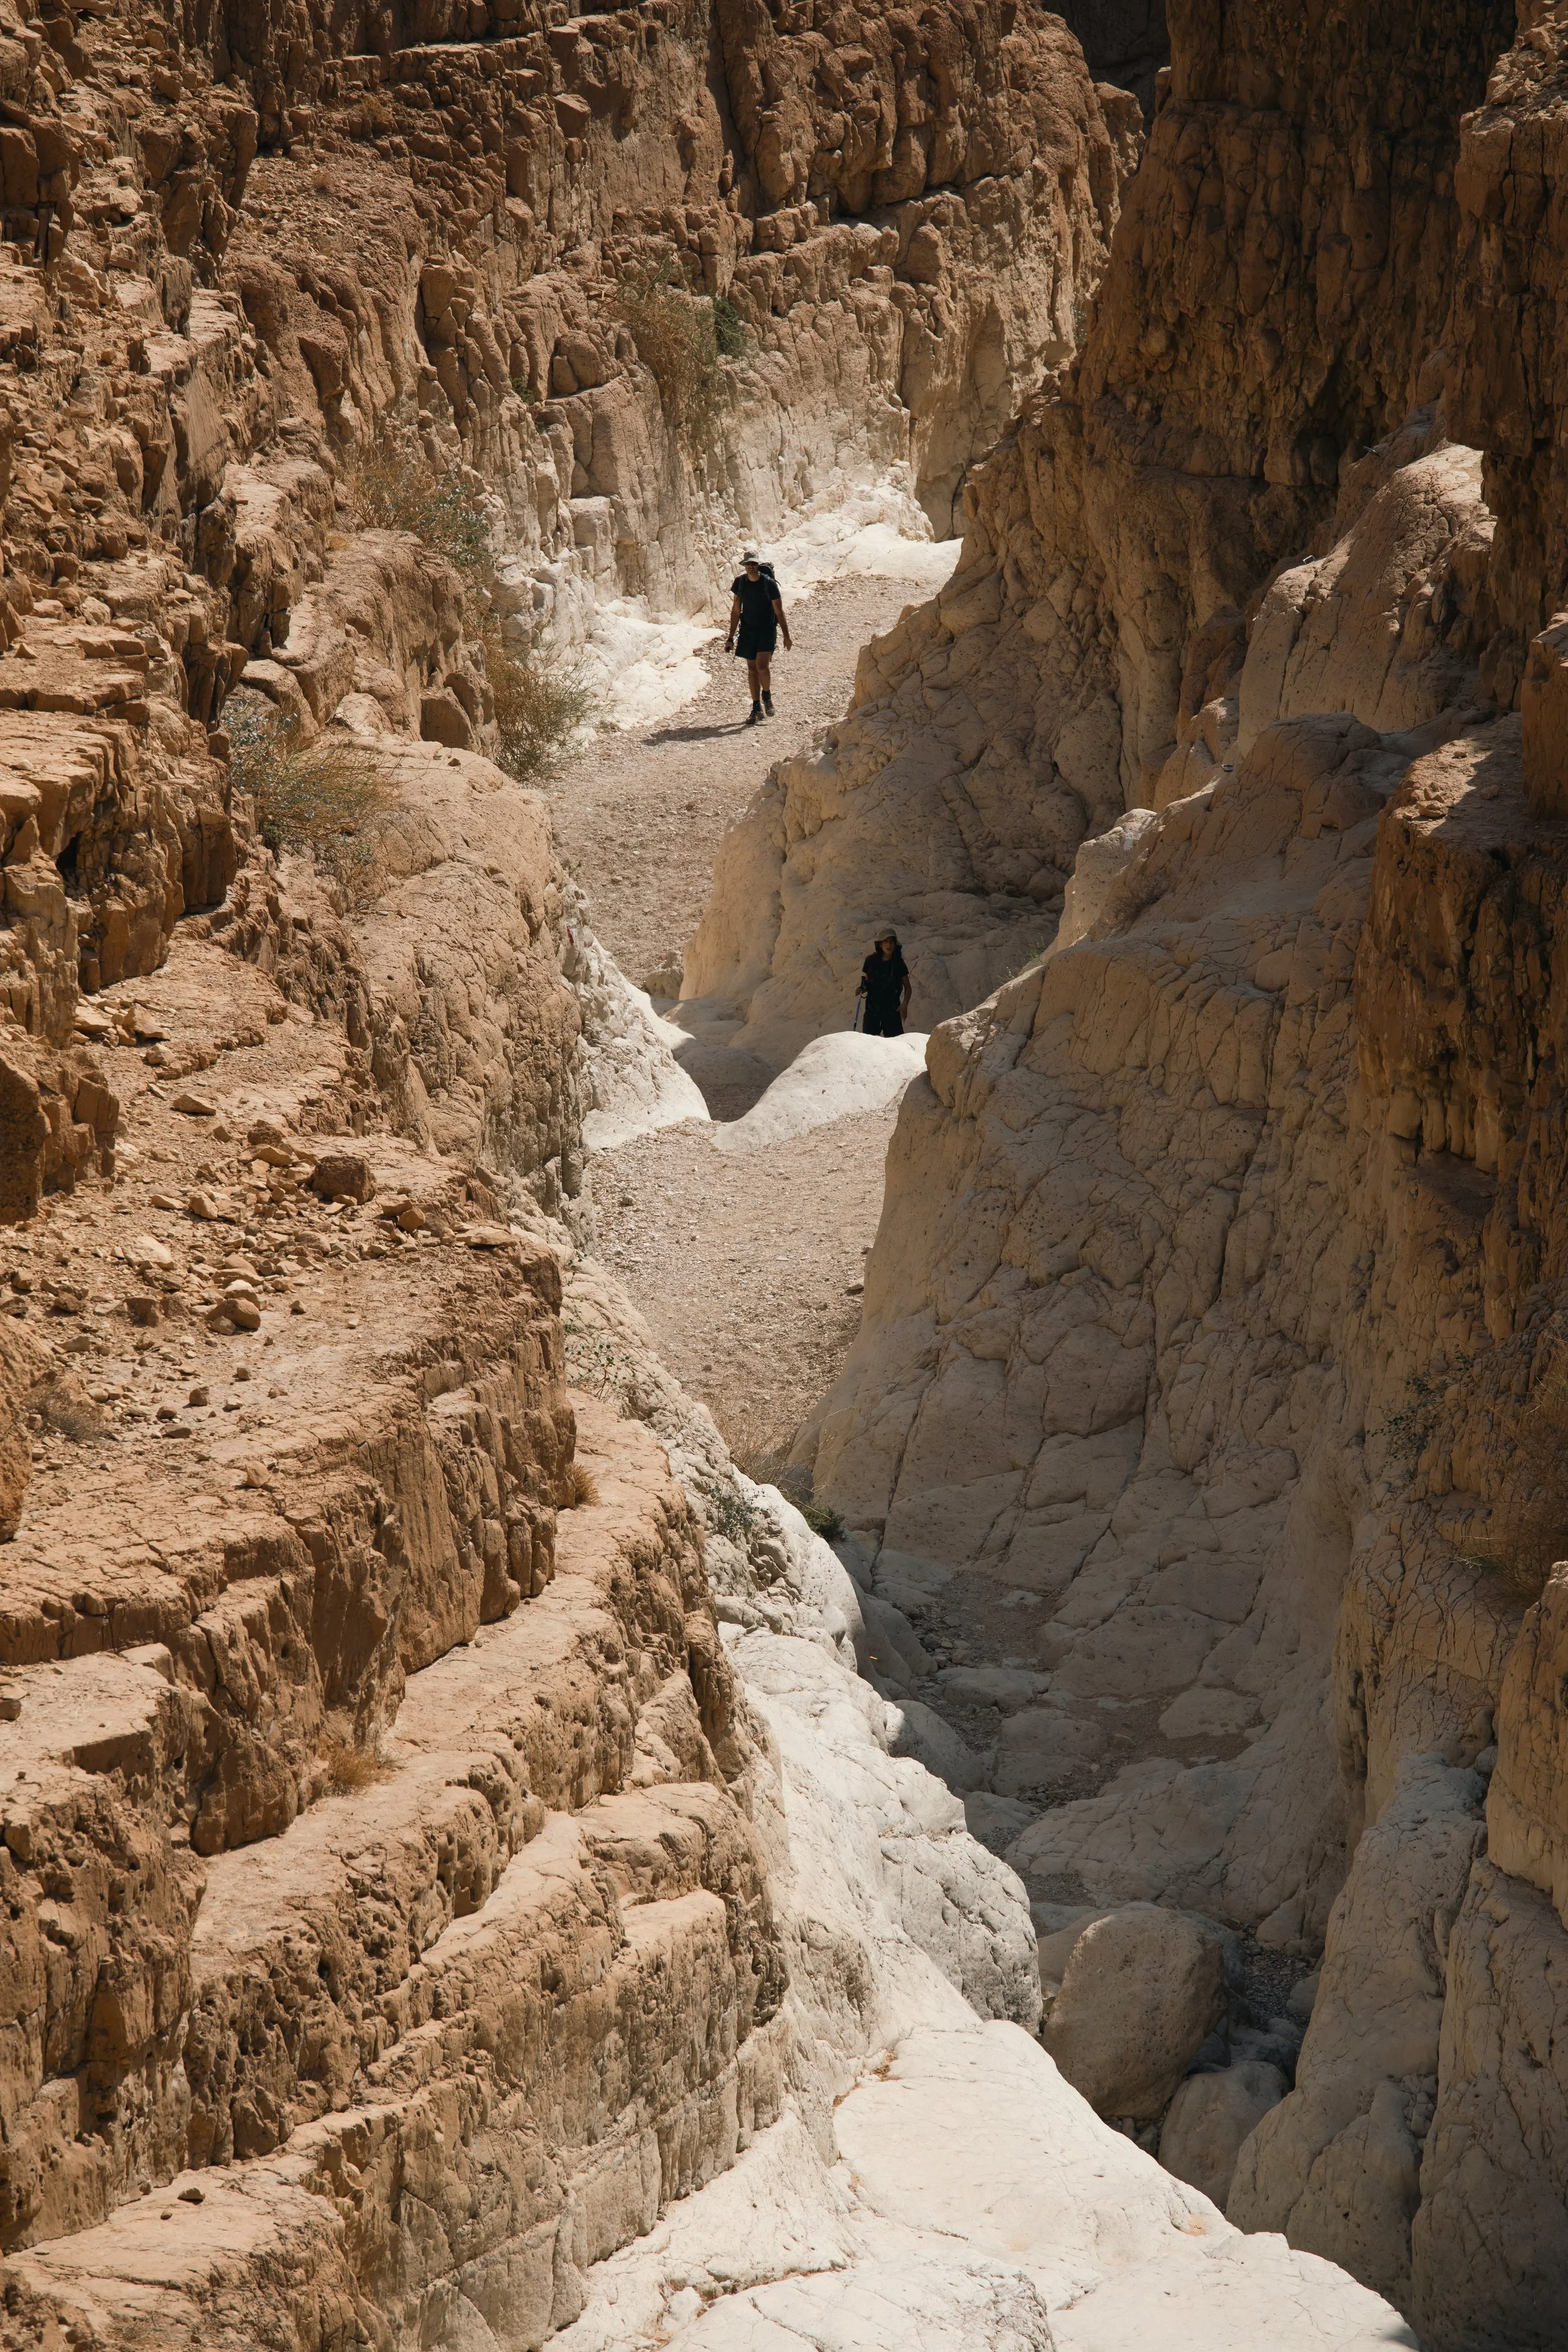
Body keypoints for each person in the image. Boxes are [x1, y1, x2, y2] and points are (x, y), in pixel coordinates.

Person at [725, 548, 792, 724]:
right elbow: (736, 611)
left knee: (762, 666)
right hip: (748, 630)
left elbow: (779, 611)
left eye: (754, 564)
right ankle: (756, 708)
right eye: (748, 564)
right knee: (752, 669)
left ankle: (767, 696)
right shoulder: (740, 583)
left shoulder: (768, 584)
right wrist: (730, 637)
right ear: (745, 566)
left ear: (758, 565)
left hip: (767, 629)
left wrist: (786, 636)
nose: (751, 567)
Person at [857, 928, 911, 1037]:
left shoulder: (899, 964)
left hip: (892, 1011)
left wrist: (905, 1004)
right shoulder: (871, 961)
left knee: (895, 1043)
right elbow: (868, 983)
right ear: (880, 944)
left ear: (895, 944)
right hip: (872, 1010)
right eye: (886, 941)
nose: (889, 945)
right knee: (869, 1043)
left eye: (891, 941)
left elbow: (908, 988)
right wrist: (862, 989)